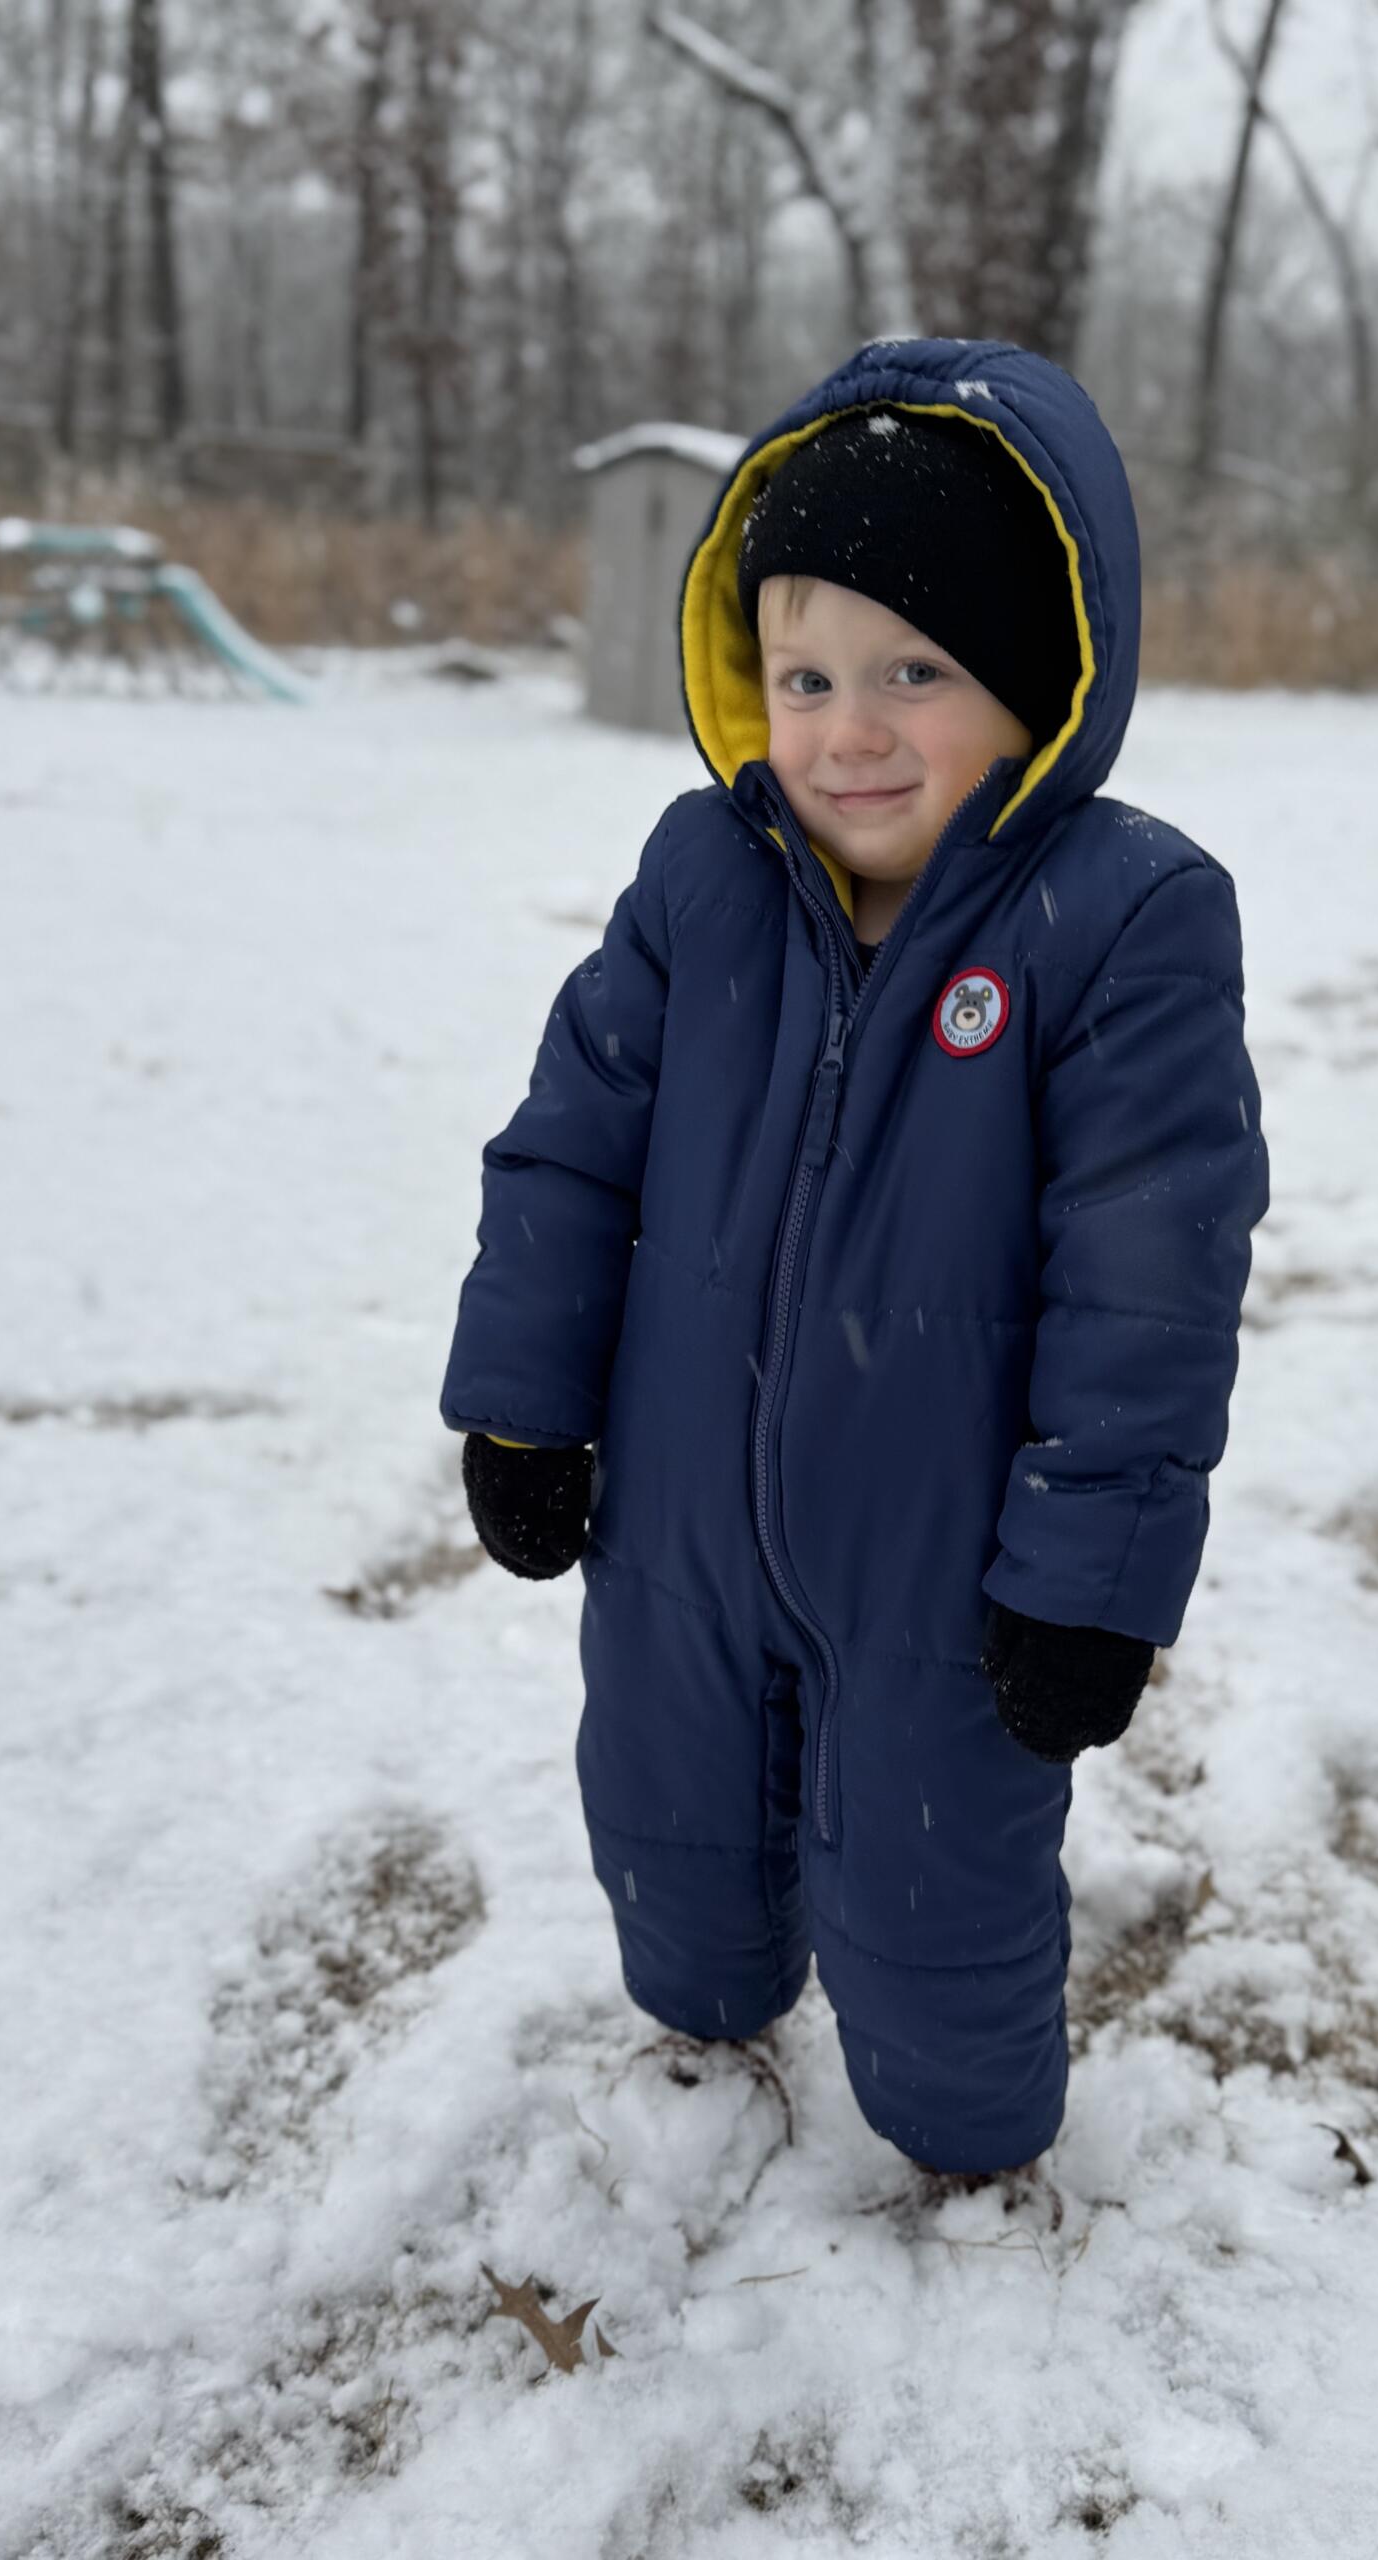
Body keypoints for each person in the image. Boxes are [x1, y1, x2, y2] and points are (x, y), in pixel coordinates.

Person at [439, 335, 1269, 2179]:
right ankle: (709, 2015)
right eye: (806, 676)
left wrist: (1090, 1578)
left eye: (917, 672)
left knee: (932, 1896)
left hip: (941, 1566)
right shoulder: (703, 881)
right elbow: (568, 1144)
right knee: (672, 1838)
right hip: (677, 1527)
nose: (848, 731)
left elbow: (1151, 1273)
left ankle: (973, 2161)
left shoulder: (1118, 920)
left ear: (1040, 684)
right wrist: (521, 1405)